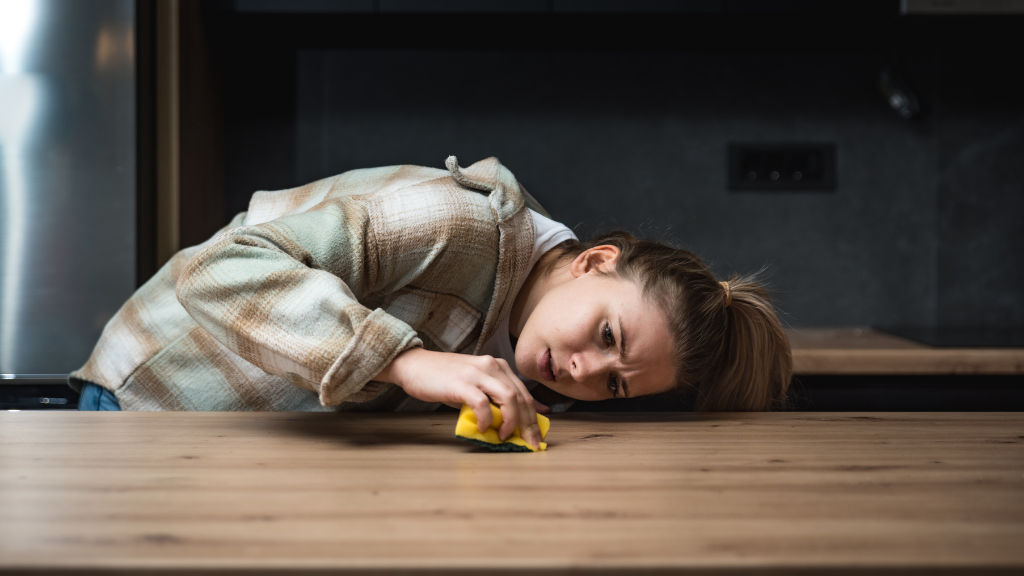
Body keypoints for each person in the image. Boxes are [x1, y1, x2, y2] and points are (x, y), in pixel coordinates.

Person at [71, 156, 792, 449]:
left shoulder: (532, 349)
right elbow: (215, 272)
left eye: (614, 383)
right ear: (596, 260)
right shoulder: (456, 223)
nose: (580, 370)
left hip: (251, 448)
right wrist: (410, 362)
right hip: (148, 408)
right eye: (607, 335)